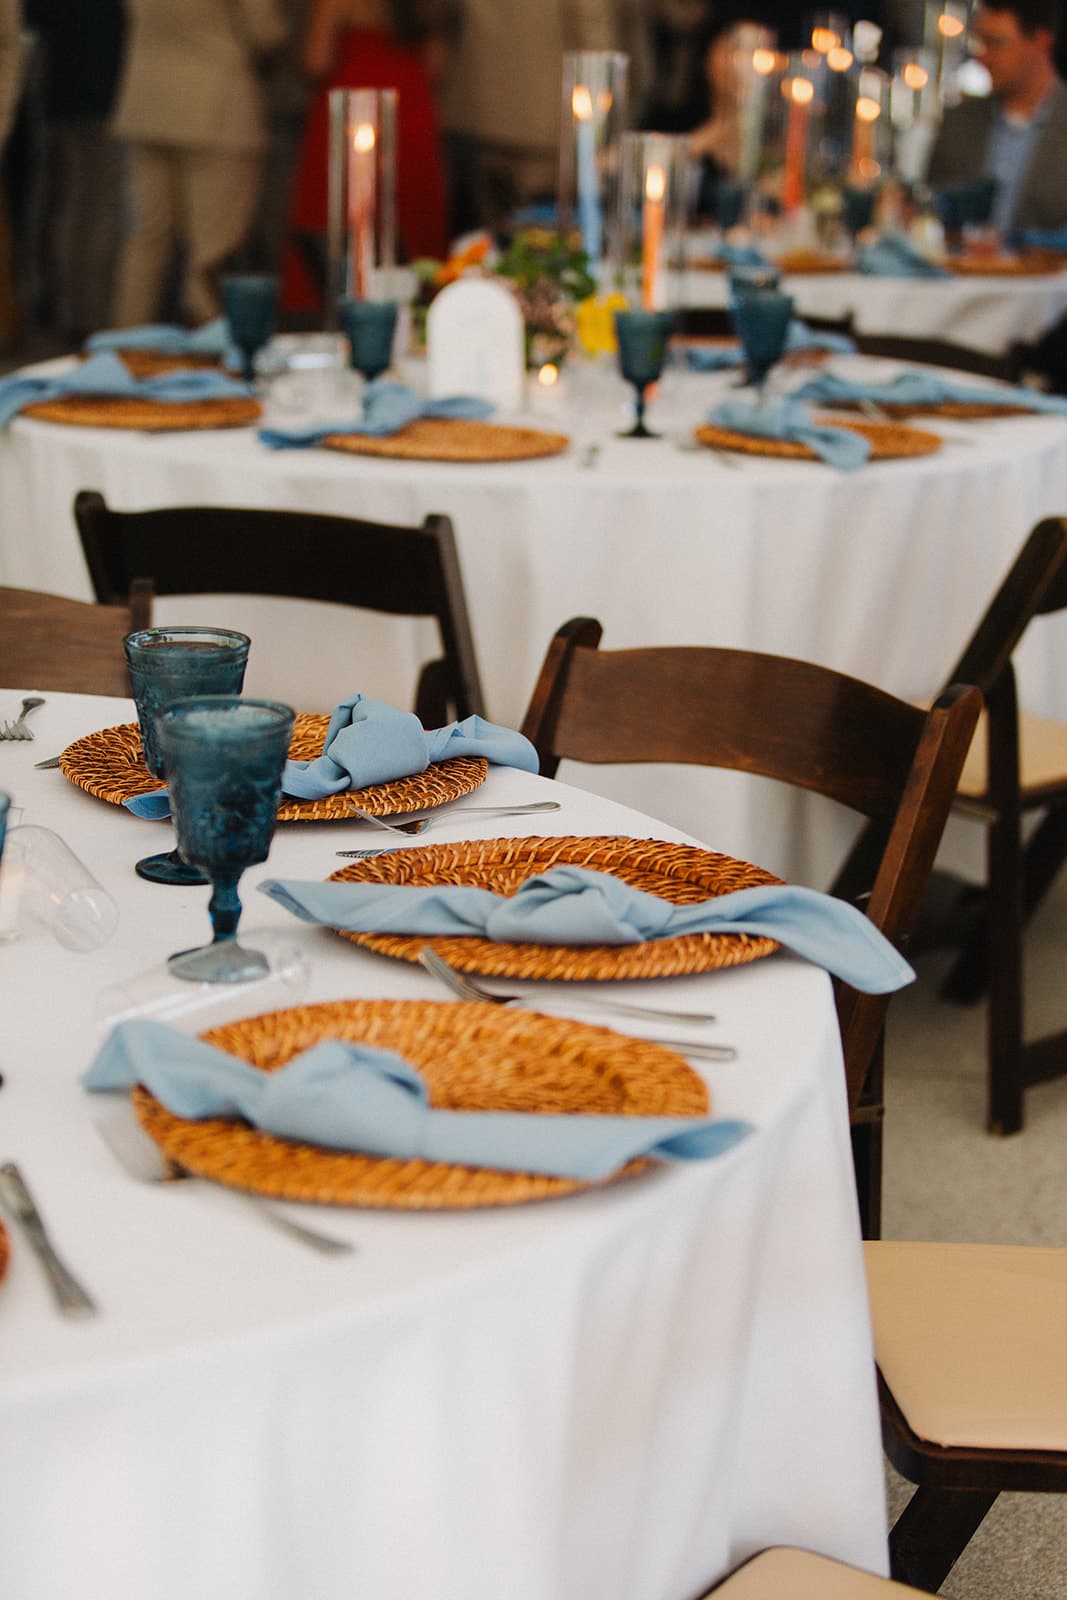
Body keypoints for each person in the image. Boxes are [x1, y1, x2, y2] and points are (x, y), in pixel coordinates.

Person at [110, 0, 289, 328]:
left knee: (145, 243)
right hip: (216, 105)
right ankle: (209, 348)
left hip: (149, 99)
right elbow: (264, 30)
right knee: (213, 251)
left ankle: (121, 346)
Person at [284, 0, 451, 312]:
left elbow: (316, 61)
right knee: (409, 224)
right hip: (409, 112)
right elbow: (437, 66)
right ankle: (412, 316)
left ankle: (334, 315)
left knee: (336, 217)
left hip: (352, 108)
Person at [441, 0, 616, 236]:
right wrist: (605, 117)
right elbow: (592, 29)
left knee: (487, 238)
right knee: (544, 240)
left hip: (479, 107)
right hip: (544, 123)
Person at [24, 0, 126, 341]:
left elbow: (32, 20)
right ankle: (92, 314)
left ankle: (70, 307)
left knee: (72, 204)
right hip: (104, 96)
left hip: (61, 96)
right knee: (100, 209)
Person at [926, 0, 1067, 236]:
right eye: (981, 43)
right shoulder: (958, 121)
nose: (983, 57)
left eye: (996, 43)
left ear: (1041, 42)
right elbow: (927, 212)